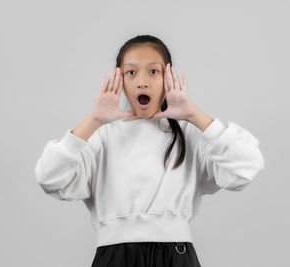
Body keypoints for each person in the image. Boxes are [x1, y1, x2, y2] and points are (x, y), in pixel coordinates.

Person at [34, 34, 265, 267]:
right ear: (119, 80)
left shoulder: (189, 133)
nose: (142, 82)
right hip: (113, 258)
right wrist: (93, 120)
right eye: (131, 72)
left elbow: (247, 165)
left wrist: (193, 114)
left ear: (168, 77)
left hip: (176, 256)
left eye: (153, 71)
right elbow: (49, 178)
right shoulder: (101, 136)